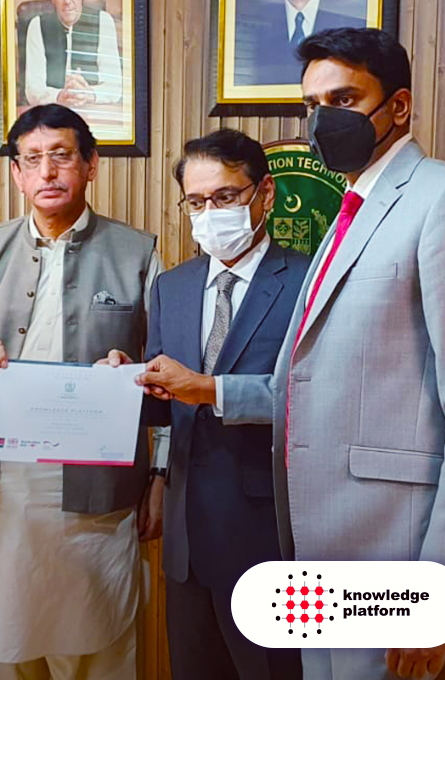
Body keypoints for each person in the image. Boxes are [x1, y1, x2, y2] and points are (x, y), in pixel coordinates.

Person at [224, 28, 445, 680]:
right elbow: (308, 381)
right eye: (312, 104)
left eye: (344, 99)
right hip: (318, 546)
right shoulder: (351, 207)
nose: (324, 119)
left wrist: (438, 589)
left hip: (392, 551)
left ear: (399, 106)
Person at [0, 103, 161, 679]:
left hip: (97, 490)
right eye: (32, 160)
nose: (47, 172)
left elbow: (167, 367)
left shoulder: (138, 253)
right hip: (2, 485)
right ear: (16, 174)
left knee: (96, 649)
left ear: (91, 165)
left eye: (61, 156)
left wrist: (161, 471)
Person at [104, 128, 308, 679]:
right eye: (196, 202)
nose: (210, 213)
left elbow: (315, 399)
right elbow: (167, 405)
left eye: (225, 197)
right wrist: (125, 383)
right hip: (187, 538)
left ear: (264, 193)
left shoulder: (308, 281)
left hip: (268, 536)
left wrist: (209, 389)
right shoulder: (172, 286)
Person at [23, 0, 123, 110]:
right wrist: (60, 96)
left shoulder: (104, 21)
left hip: (93, 110)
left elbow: (115, 87)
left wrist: (88, 93)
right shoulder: (37, 26)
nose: (67, 0)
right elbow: (33, 90)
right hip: (53, 111)